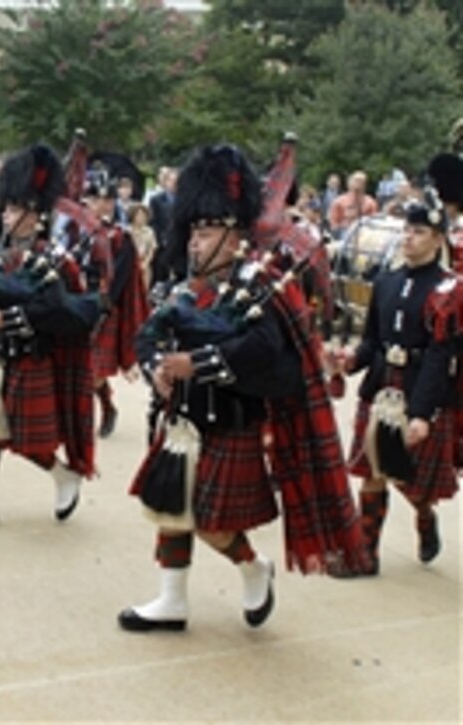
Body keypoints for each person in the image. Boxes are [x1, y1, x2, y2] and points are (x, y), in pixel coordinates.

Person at [119, 144, 366, 633]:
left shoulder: (259, 287)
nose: (194, 241)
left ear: (234, 238)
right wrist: (157, 369)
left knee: (212, 523)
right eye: (193, 230)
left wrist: (198, 362)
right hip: (180, 418)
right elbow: (147, 335)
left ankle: (255, 568)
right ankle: (171, 600)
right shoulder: (181, 288)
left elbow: (264, 351)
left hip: (230, 421)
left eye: (206, 231)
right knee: (170, 507)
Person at [0, 144, 103, 526]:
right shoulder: (1, 254)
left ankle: (63, 475)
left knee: (25, 438)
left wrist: (9, 320)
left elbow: (62, 314)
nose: (7, 216)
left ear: (35, 217)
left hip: (33, 356)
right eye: (7, 208)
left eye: (16, 210)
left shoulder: (56, 260)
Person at [327, 188, 458, 577]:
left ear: (437, 239)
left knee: (412, 482)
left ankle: (424, 514)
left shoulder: (450, 289)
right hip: (382, 383)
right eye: (407, 230)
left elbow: (442, 355)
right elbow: (372, 341)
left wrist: (421, 413)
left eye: (418, 232)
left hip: (420, 388)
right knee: (372, 473)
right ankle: (365, 555)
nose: (408, 238)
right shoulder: (386, 281)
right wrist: (349, 362)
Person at [79, 173, 149, 439]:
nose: (101, 204)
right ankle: (107, 405)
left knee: (94, 369)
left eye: (106, 200)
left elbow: (121, 276)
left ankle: (96, 413)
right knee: (84, 365)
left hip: (104, 306)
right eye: (96, 199)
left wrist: (105, 303)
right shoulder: (78, 234)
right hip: (78, 303)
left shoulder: (120, 237)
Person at [328, 171, 378, 238]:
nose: (358, 184)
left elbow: (374, 222)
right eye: (356, 181)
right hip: (345, 233)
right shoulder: (338, 202)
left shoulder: (370, 203)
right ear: (349, 183)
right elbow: (334, 224)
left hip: (365, 234)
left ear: (365, 185)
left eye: (361, 182)